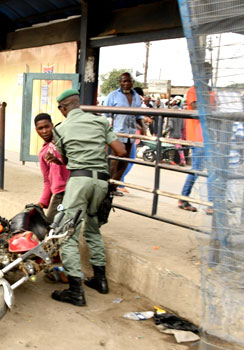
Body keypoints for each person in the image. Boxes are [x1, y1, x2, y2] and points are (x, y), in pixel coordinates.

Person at [50, 89, 127, 307]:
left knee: (67, 234)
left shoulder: (61, 128)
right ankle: (100, 281)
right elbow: (121, 151)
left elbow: (65, 159)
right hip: (101, 182)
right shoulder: (100, 122)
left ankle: (76, 291)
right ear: (79, 103)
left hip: (79, 182)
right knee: (93, 229)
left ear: (63, 109)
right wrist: (110, 178)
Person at [178, 62, 215, 215]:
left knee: (213, 169)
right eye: (205, 71)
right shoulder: (194, 90)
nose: (208, 75)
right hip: (198, 135)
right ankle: (184, 197)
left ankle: (212, 202)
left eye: (209, 72)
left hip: (210, 135)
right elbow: (195, 106)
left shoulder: (211, 91)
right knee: (197, 169)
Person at [103, 73, 148, 196]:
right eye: (124, 81)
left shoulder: (136, 97)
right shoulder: (113, 96)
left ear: (132, 82)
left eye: (129, 81)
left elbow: (138, 115)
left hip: (130, 135)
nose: (127, 83)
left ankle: (113, 187)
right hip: (117, 134)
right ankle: (106, 188)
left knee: (124, 163)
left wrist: (143, 127)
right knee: (114, 162)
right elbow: (105, 115)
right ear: (120, 82)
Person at [34, 113, 70, 222]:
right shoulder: (43, 152)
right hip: (59, 193)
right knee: (50, 224)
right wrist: (42, 202)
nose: (44, 131)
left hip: (73, 187)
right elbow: (47, 181)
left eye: (47, 127)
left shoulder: (64, 141)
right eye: (41, 128)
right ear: (36, 130)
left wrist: (60, 161)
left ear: (52, 126)